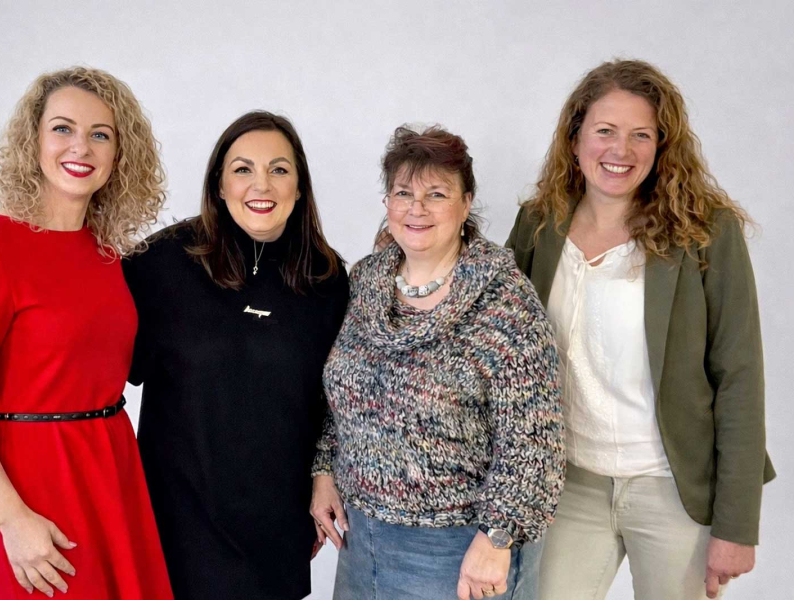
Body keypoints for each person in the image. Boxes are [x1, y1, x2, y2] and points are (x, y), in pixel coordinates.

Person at [505, 59, 775, 600]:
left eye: (641, 135)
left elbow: (739, 378)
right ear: (575, 138)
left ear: (662, 146)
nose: (620, 150)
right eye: (605, 130)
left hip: (673, 487)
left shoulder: (706, 232)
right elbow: (496, 346)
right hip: (568, 483)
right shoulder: (539, 225)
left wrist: (737, 525)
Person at [0, 67, 173, 599]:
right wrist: (13, 520)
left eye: (100, 134)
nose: (81, 147)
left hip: (114, 471)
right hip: (34, 486)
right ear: (32, 139)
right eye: (62, 128)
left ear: (118, 155)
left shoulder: (108, 254)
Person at [311, 125, 564, 600]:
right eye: (403, 193)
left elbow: (535, 440)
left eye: (436, 194)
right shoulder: (365, 282)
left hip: (459, 549)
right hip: (360, 539)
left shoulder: (504, 301)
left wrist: (497, 537)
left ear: (466, 204)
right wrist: (324, 472)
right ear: (387, 202)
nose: (417, 208)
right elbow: (340, 391)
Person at [122, 110, 349, 600]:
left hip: (275, 532)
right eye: (242, 169)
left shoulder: (327, 280)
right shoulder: (160, 264)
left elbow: (337, 403)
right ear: (219, 186)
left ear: (300, 188)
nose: (260, 185)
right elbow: (96, 375)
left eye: (279, 169)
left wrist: (325, 474)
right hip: (175, 528)